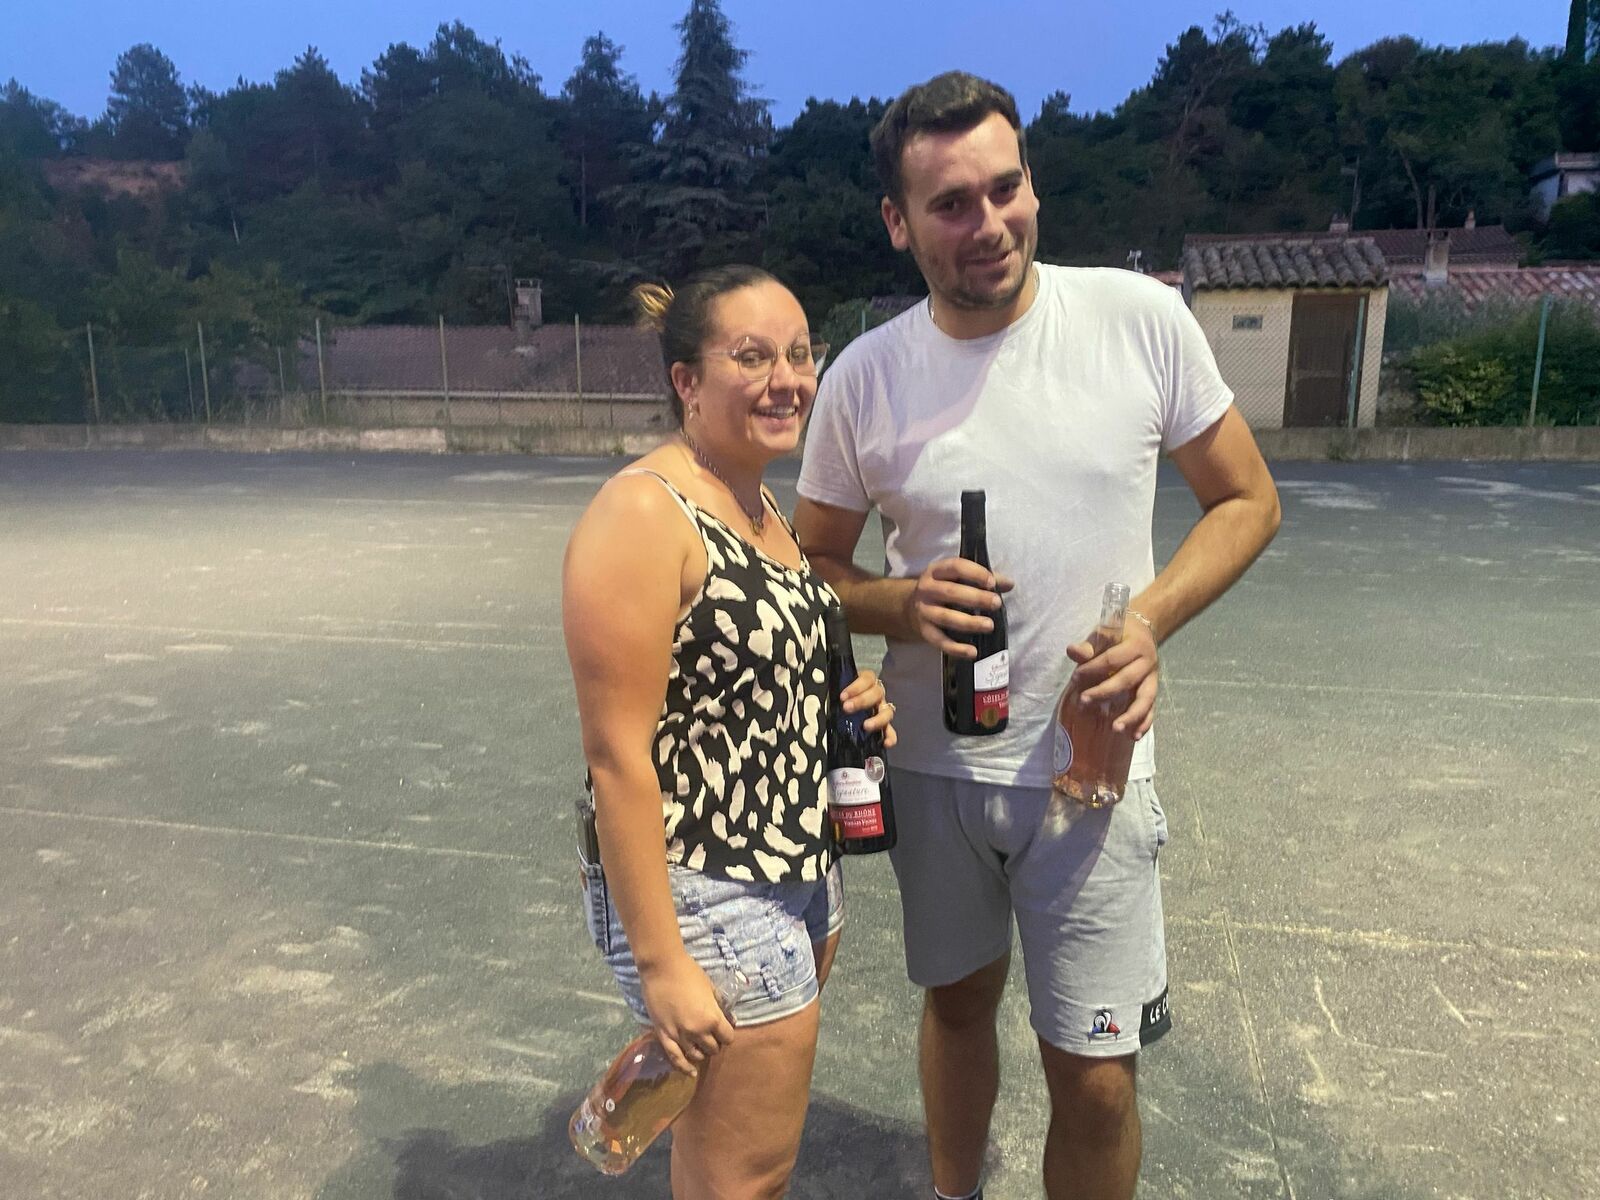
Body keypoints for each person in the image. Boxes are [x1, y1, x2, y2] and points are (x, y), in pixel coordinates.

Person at [793, 72, 1281, 1200]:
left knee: (1098, 1079)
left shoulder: (1137, 320)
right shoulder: (865, 376)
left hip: (1091, 764)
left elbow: (1247, 500)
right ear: (897, 222)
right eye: (950, 204)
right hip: (933, 767)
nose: (989, 223)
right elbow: (811, 563)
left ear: (1032, 182)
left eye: (1004, 188)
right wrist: (899, 603)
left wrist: (1148, 621)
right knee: (959, 1005)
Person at [562, 264, 897, 1198]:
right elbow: (616, 757)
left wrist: (854, 700)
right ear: (687, 381)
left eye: (799, 354)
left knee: (729, 1159)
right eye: (752, 357)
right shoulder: (644, 512)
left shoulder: (758, 506)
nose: (786, 379)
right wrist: (663, 963)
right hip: (707, 887)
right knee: (747, 1178)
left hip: (797, 866)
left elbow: (751, 677)